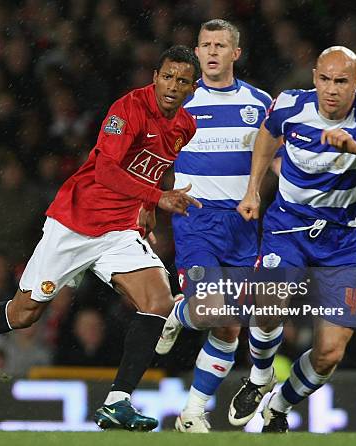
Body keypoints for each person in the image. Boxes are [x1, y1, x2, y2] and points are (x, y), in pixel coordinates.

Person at [0, 45, 202, 432]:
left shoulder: (185, 126)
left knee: (159, 300)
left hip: (118, 231)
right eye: (167, 76)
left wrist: (146, 206)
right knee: (23, 314)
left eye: (182, 81)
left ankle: (118, 401)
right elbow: (106, 171)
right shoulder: (128, 109)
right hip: (76, 223)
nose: (172, 85)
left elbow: (152, 169)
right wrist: (157, 198)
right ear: (155, 76)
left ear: (192, 88)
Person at [231, 46, 356, 432]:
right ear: (314, 77)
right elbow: (267, 135)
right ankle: (260, 376)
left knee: (330, 352)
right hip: (289, 226)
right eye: (325, 79)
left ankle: (278, 407)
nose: (331, 89)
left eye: (342, 81)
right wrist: (253, 190)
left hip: (344, 242)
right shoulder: (290, 105)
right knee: (268, 306)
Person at [153, 19, 280, 433]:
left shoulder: (260, 103)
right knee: (210, 311)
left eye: (220, 45)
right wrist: (146, 206)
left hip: (243, 224)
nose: (211, 52)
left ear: (234, 53)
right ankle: (180, 310)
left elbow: (276, 161)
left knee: (230, 325)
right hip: (196, 220)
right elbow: (155, 156)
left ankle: (192, 413)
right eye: (205, 44)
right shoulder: (178, 101)